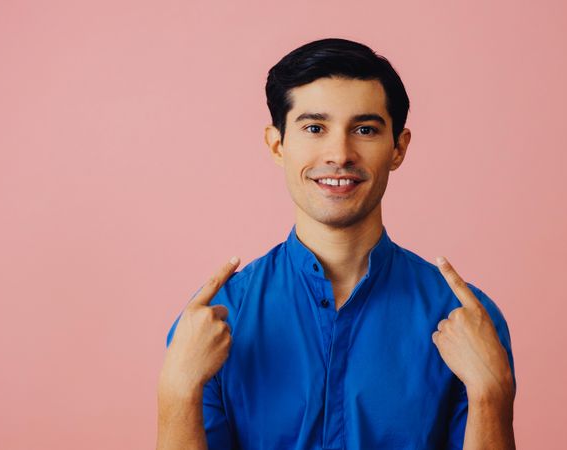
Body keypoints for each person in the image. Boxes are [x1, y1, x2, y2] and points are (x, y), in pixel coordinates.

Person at [156, 37, 517, 450]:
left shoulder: (464, 318)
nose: (340, 154)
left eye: (364, 129)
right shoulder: (218, 319)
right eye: (314, 128)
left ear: (398, 148)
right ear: (278, 145)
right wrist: (176, 393)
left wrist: (492, 396)